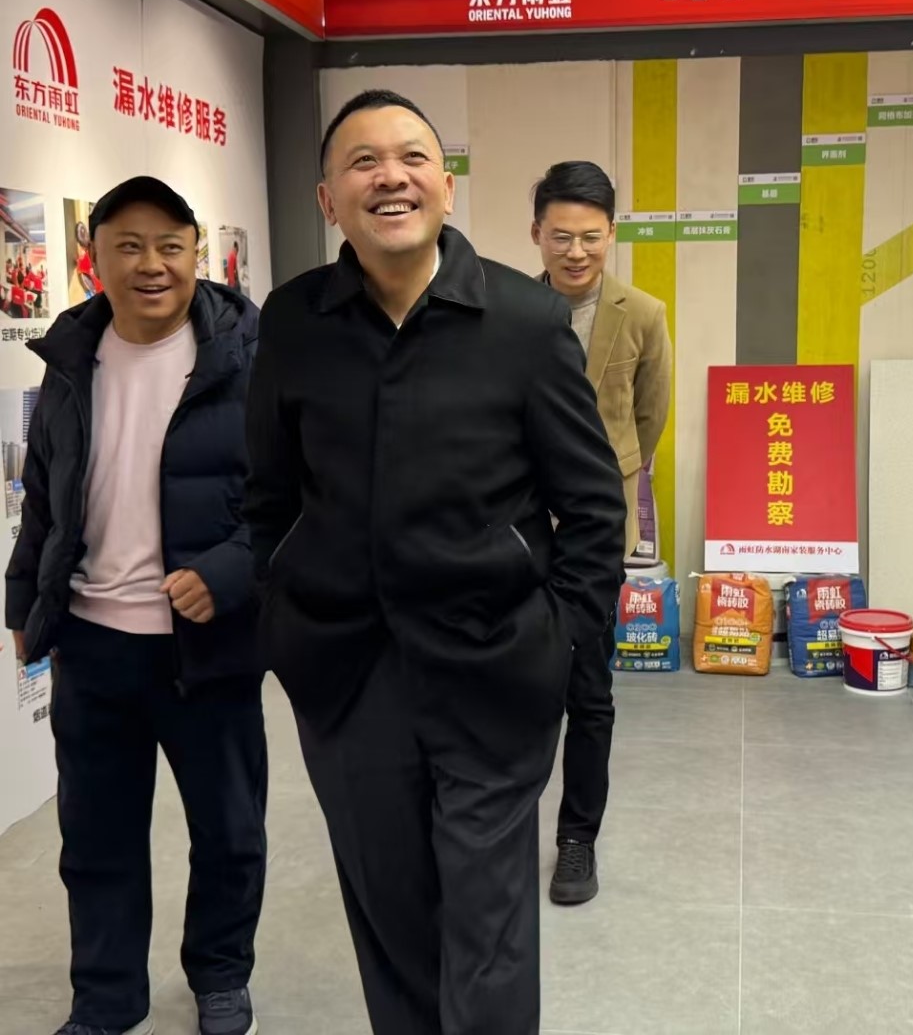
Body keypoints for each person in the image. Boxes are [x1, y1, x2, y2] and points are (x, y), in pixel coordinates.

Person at [245, 90, 627, 1035]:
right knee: (393, 922)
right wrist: (287, 623)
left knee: (488, 932)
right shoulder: (294, 320)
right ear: (328, 198)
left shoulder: (523, 320)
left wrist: (559, 643)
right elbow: (267, 496)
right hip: (349, 677)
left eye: (412, 157)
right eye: (363, 161)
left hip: (493, 668)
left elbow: (591, 507)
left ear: (446, 187)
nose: (391, 177)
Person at [5, 176, 267, 1035]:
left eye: (170, 246)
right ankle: (106, 997)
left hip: (209, 645)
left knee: (228, 830)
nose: (152, 264)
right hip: (93, 643)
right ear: (96, 259)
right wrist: (23, 601)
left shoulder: (250, 357)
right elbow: (44, 495)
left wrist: (228, 573)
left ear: (196, 253)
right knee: (96, 838)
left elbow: (304, 499)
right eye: (129, 246)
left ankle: (220, 974)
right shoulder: (71, 358)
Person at [531, 160, 672, 905]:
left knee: (589, 688)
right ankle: (502, 824)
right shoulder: (508, 310)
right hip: (518, 527)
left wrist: (602, 482)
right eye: (561, 236)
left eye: (590, 236)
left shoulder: (642, 313)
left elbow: (649, 417)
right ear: (537, 234)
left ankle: (576, 838)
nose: (576, 251)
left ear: (610, 233)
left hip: (594, 534)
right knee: (515, 685)